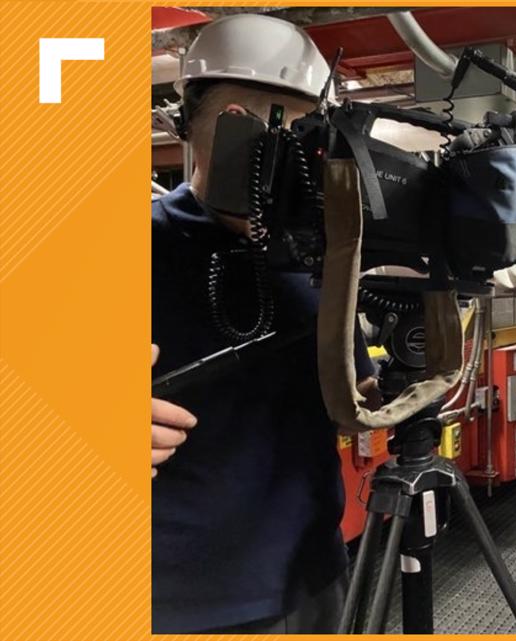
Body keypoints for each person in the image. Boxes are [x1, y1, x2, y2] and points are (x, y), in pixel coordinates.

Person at [150, 14, 378, 633]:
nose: (275, 154)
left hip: (312, 574)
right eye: (248, 126)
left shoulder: (322, 253)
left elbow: (348, 390)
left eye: (297, 131)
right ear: (187, 125)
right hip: (186, 600)